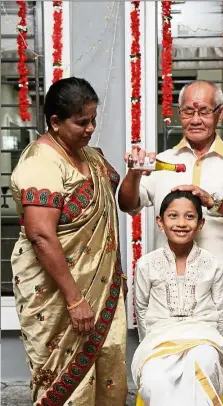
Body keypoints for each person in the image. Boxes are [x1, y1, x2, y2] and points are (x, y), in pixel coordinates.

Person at [119, 80, 223, 406]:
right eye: (188, 110)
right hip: (167, 309)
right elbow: (129, 204)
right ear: (178, 114)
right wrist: (133, 172)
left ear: (220, 113)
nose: (195, 118)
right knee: (166, 386)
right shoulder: (161, 161)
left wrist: (215, 202)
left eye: (204, 110)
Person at [11, 77, 127, 406]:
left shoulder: (91, 157)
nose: (90, 128)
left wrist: (136, 173)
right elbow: (41, 235)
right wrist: (76, 300)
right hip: (57, 294)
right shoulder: (41, 162)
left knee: (106, 368)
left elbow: (124, 203)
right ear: (56, 123)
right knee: (61, 379)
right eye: (81, 122)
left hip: (101, 287)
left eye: (93, 119)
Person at [132, 190, 223, 406]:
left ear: (201, 224)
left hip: (203, 337)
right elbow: (141, 309)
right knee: (154, 377)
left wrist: (214, 345)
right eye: (173, 216)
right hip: (159, 338)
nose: (181, 223)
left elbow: (220, 312)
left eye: (189, 216)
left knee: (202, 363)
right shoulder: (146, 264)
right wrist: (149, 343)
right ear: (160, 222)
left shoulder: (214, 264)